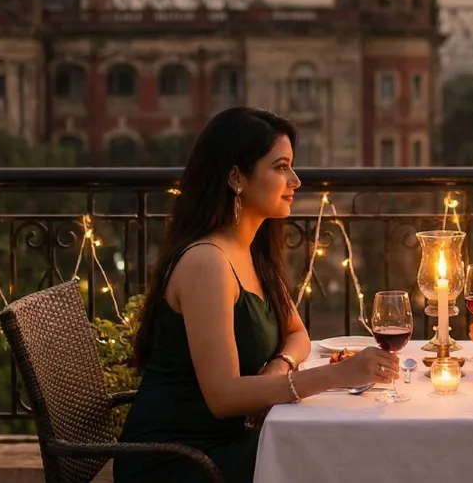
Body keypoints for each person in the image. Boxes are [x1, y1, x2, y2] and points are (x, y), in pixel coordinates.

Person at [115, 107, 397, 483]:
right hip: (182, 461)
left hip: (232, 441)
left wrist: (277, 367)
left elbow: (297, 335)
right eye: (280, 167)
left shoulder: (251, 249)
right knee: (347, 458)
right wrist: (340, 375)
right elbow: (224, 397)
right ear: (236, 177)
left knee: (353, 453)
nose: (295, 180)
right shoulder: (206, 263)